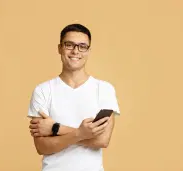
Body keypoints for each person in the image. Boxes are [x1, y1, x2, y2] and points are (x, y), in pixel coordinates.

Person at [27, 23, 120, 171]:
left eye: (82, 46)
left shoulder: (104, 89)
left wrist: (56, 128)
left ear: (88, 51)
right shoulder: (43, 91)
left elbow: (102, 140)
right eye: (69, 45)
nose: (75, 51)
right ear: (59, 48)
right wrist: (81, 133)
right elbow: (41, 147)